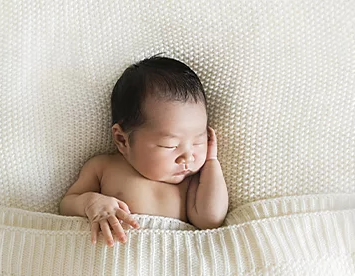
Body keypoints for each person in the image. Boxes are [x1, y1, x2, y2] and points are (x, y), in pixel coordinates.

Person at [58, 55, 229, 245]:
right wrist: (91, 203)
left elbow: (210, 218)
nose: (188, 156)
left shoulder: (189, 182)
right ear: (122, 140)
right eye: (170, 145)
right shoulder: (103, 167)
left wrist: (212, 162)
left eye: (198, 140)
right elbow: (66, 204)